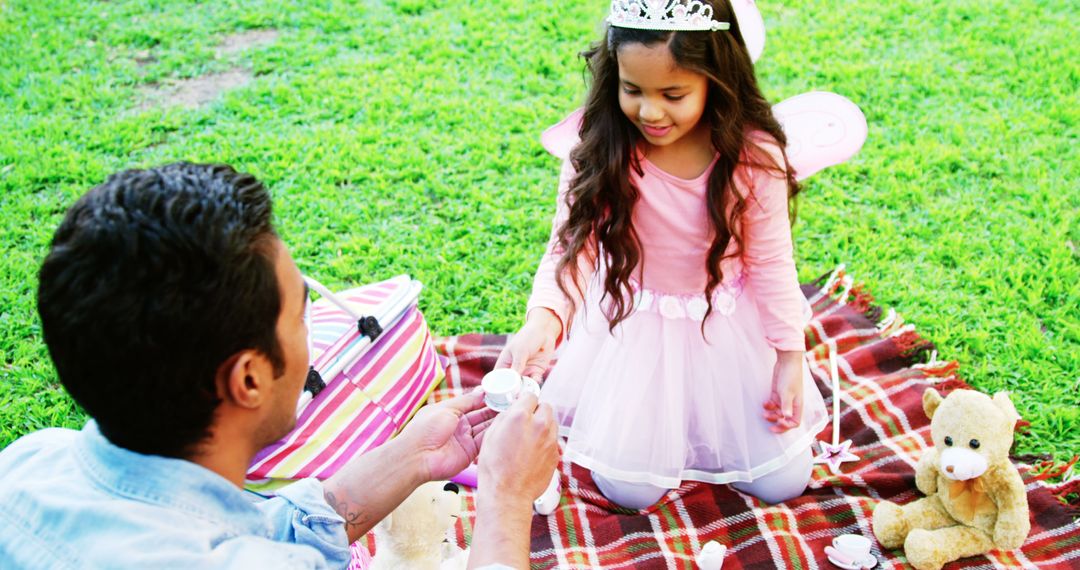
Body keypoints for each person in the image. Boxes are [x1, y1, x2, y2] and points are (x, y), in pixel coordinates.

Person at [0, 162, 559, 568]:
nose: (312, 333)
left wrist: (413, 456)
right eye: (301, 314)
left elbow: (254, 527)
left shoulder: (29, 462)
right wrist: (506, 499)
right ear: (248, 379)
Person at [496, 0, 828, 511]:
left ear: (716, 81)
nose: (650, 111)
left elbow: (771, 264)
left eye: (673, 94)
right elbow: (571, 246)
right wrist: (543, 323)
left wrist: (788, 356)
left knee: (783, 481)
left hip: (726, 331)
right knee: (629, 489)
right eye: (633, 90)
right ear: (615, 77)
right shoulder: (602, 147)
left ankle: (717, 424)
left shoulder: (752, 159)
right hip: (639, 330)